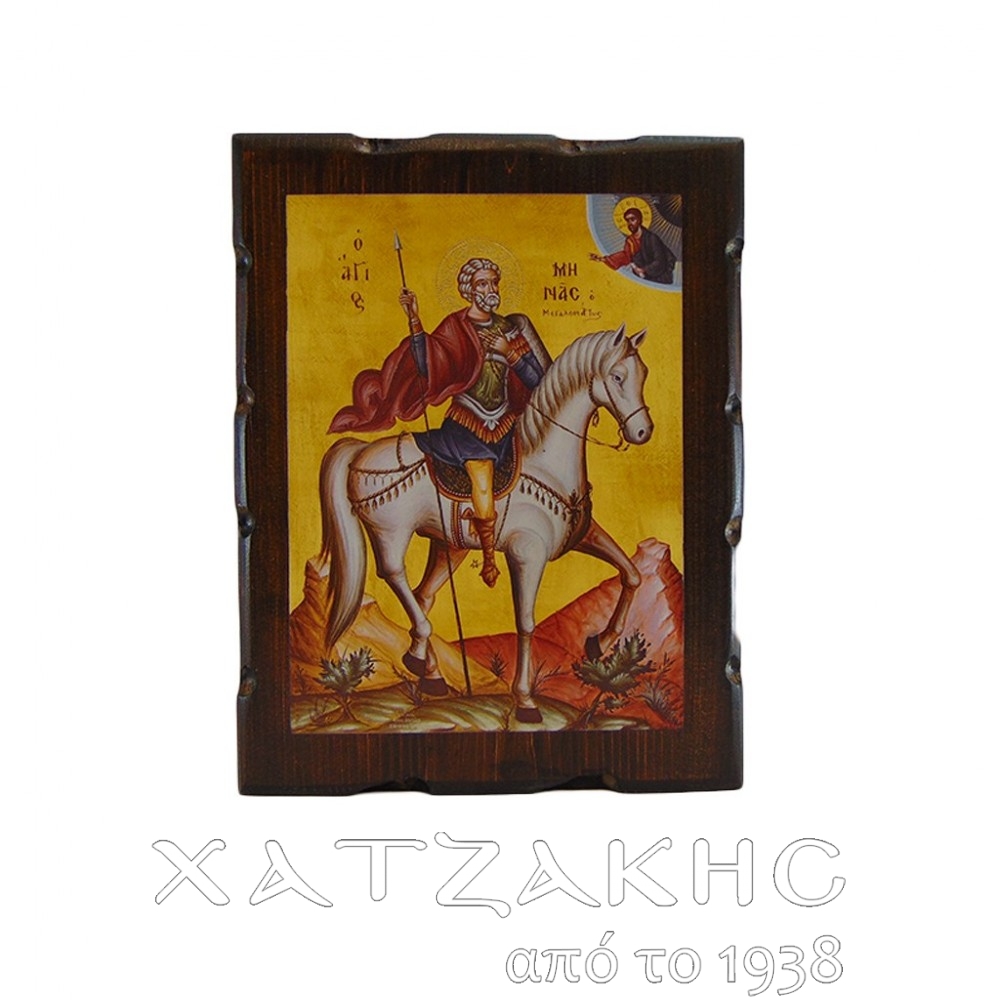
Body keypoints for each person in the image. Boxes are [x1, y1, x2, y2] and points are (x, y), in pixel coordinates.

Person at [329, 257, 547, 587]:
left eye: (493, 282)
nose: (490, 289)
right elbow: (428, 363)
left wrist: (511, 353)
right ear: (468, 290)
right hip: (467, 426)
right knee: (482, 477)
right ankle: (489, 557)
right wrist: (415, 320)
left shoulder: (508, 330)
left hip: (507, 425)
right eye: (482, 283)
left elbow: (538, 380)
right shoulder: (456, 327)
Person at [591, 206, 677, 284]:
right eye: (627, 220)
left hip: (658, 278)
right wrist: (604, 259)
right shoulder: (630, 240)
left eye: (632, 219)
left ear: (639, 220)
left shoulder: (651, 238)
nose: (630, 223)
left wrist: (643, 270)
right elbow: (626, 255)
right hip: (643, 278)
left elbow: (660, 261)